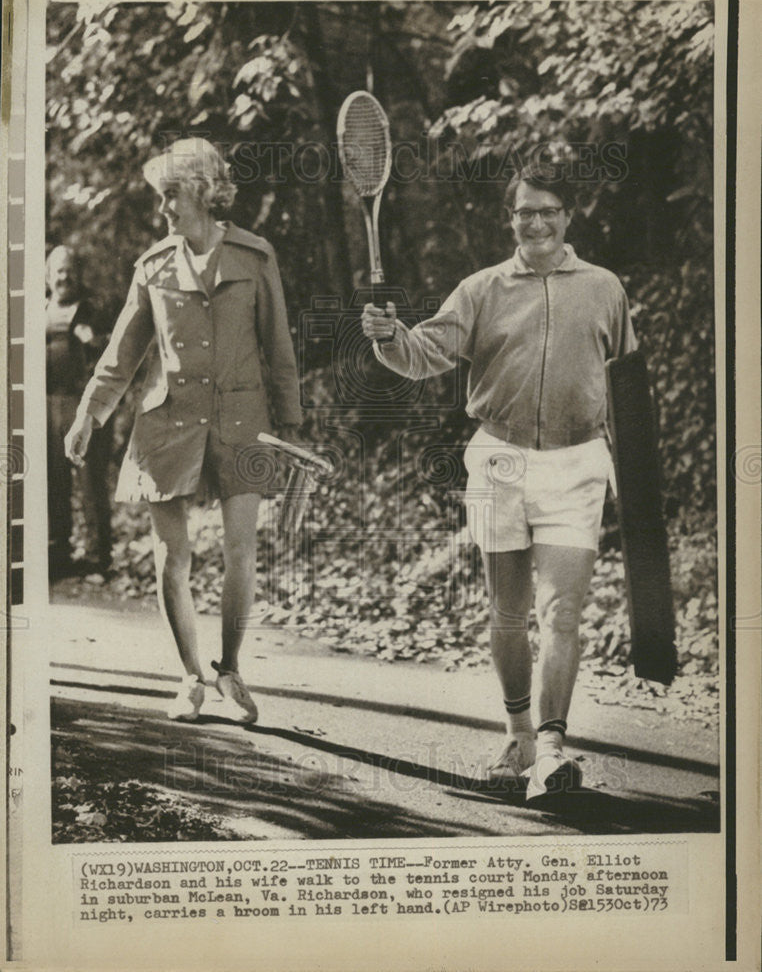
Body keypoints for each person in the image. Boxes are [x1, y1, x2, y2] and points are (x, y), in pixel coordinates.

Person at [362, 164, 637, 800]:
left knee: (562, 612)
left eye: (548, 211)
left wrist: (630, 474)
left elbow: (627, 384)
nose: (536, 223)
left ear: (568, 216)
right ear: (510, 219)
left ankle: (553, 749)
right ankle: (517, 734)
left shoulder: (604, 289)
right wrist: (388, 339)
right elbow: (421, 353)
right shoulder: (482, 289)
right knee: (509, 614)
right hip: (499, 461)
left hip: (578, 464)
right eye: (524, 212)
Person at [65, 137, 302, 723]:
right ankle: (190, 677)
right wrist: (87, 415)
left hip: (243, 421)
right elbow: (121, 355)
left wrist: (293, 429)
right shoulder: (153, 266)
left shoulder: (255, 257)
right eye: (161, 197)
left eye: (170, 194)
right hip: (166, 424)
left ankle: (231, 670)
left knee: (240, 552)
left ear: (200, 190)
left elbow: (279, 349)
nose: (164, 208)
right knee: (173, 556)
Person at [46, 245, 112, 579]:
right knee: (54, 482)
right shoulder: (39, 310)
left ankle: (100, 558)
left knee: (90, 482)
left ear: (79, 275)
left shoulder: (92, 308)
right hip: (47, 405)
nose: (64, 276)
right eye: (57, 270)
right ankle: (59, 555)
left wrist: (94, 339)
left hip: (81, 404)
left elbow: (116, 352)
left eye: (69, 269)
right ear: (48, 276)